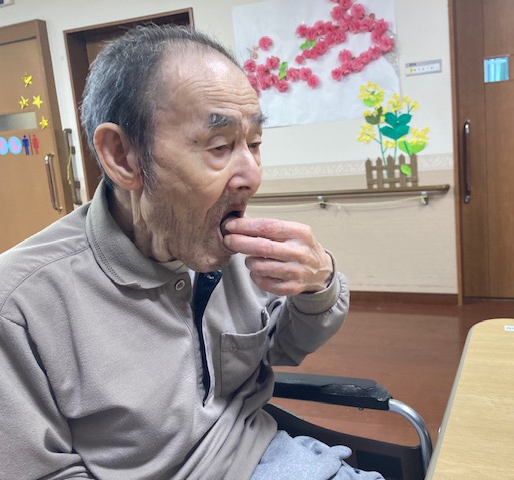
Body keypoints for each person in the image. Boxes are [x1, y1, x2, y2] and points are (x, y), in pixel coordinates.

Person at [0, 24, 382, 479]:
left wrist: (318, 287)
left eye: (255, 144)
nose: (252, 176)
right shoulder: (21, 305)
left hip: (279, 457)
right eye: (220, 146)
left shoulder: (222, 245)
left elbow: (285, 344)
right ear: (123, 157)